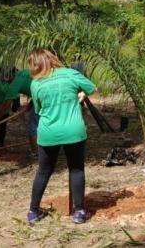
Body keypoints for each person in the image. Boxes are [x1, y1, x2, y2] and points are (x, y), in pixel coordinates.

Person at [26, 48, 96, 225]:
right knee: (76, 169)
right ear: (52, 58)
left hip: (48, 132)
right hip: (73, 131)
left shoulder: (36, 83)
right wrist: (80, 95)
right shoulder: (71, 74)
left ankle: (33, 211)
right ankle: (79, 212)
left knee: (44, 170)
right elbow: (91, 88)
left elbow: (38, 109)